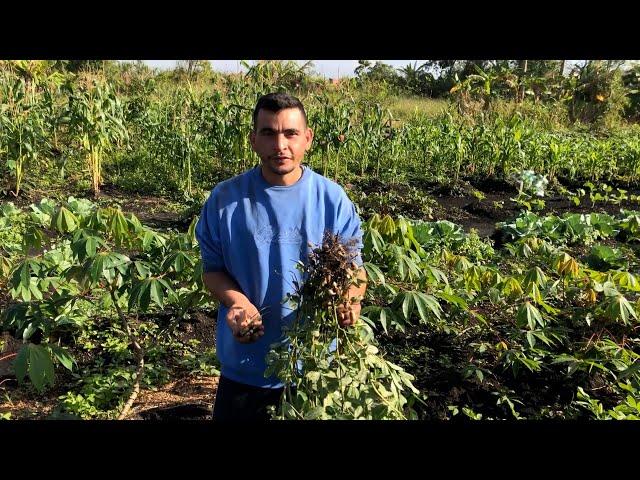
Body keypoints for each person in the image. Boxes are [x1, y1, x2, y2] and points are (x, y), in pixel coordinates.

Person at [196, 92, 367, 421]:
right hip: (246, 367)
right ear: (253, 141)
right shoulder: (225, 200)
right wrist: (237, 302)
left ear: (307, 138)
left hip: (313, 367)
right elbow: (213, 271)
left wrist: (350, 299)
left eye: (290, 133)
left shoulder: (331, 199)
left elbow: (355, 272)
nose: (280, 145)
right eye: (269, 133)